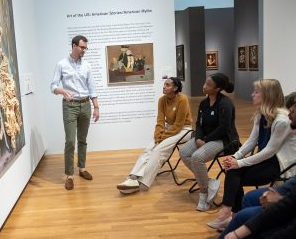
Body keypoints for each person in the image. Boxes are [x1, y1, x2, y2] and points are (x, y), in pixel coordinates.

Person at [207, 79, 296, 230]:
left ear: (267, 95)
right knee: (232, 171)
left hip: (279, 165)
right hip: (266, 160)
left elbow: (270, 151)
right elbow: (251, 141)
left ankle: (230, 214)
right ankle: (232, 214)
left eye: (256, 92)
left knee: (234, 174)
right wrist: (235, 157)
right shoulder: (261, 114)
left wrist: (240, 163)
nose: (252, 95)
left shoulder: (282, 120)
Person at [116, 77, 193, 194]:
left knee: (158, 150)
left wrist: (163, 137)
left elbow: (178, 125)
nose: (164, 87)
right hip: (168, 129)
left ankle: (142, 183)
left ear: (175, 88)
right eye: (164, 84)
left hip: (184, 130)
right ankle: (132, 178)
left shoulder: (182, 99)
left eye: (167, 85)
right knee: (149, 149)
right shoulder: (162, 100)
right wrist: (158, 136)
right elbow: (160, 121)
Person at [179, 73, 239, 211]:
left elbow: (223, 128)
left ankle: (204, 192)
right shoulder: (204, 102)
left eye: (208, 85)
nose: (204, 86)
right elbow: (199, 124)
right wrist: (199, 138)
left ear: (217, 88)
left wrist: (205, 140)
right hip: (204, 138)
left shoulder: (225, 103)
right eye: (205, 83)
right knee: (184, 152)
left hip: (224, 140)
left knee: (197, 157)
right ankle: (209, 181)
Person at [50, 35, 99, 190]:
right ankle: (69, 175)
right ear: (74, 46)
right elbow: (53, 85)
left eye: (85, 48)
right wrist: (62, 90)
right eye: (82, 47)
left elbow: (92, 88)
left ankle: (82, 168)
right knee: (70, 141)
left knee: (82, 140)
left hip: (85, 105)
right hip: (70, 106)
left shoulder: (87, 66)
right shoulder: (61, 64)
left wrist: (96, 107)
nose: (84, 50)